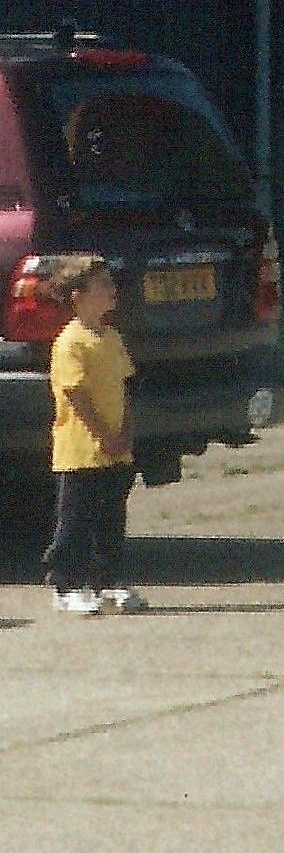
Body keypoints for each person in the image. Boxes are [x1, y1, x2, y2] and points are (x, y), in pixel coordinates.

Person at [37, 255, 142, 615]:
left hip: (115, 451)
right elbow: (75, 394)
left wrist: (125, 432)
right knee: (76, 519)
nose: (113, 291)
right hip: (81, 452)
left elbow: (124, 387)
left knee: (111, 517)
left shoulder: (111, 337)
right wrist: (103, 435)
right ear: (78, 296)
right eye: (104, 286)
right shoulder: (70, 342)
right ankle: (65, 585)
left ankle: (108, 582)